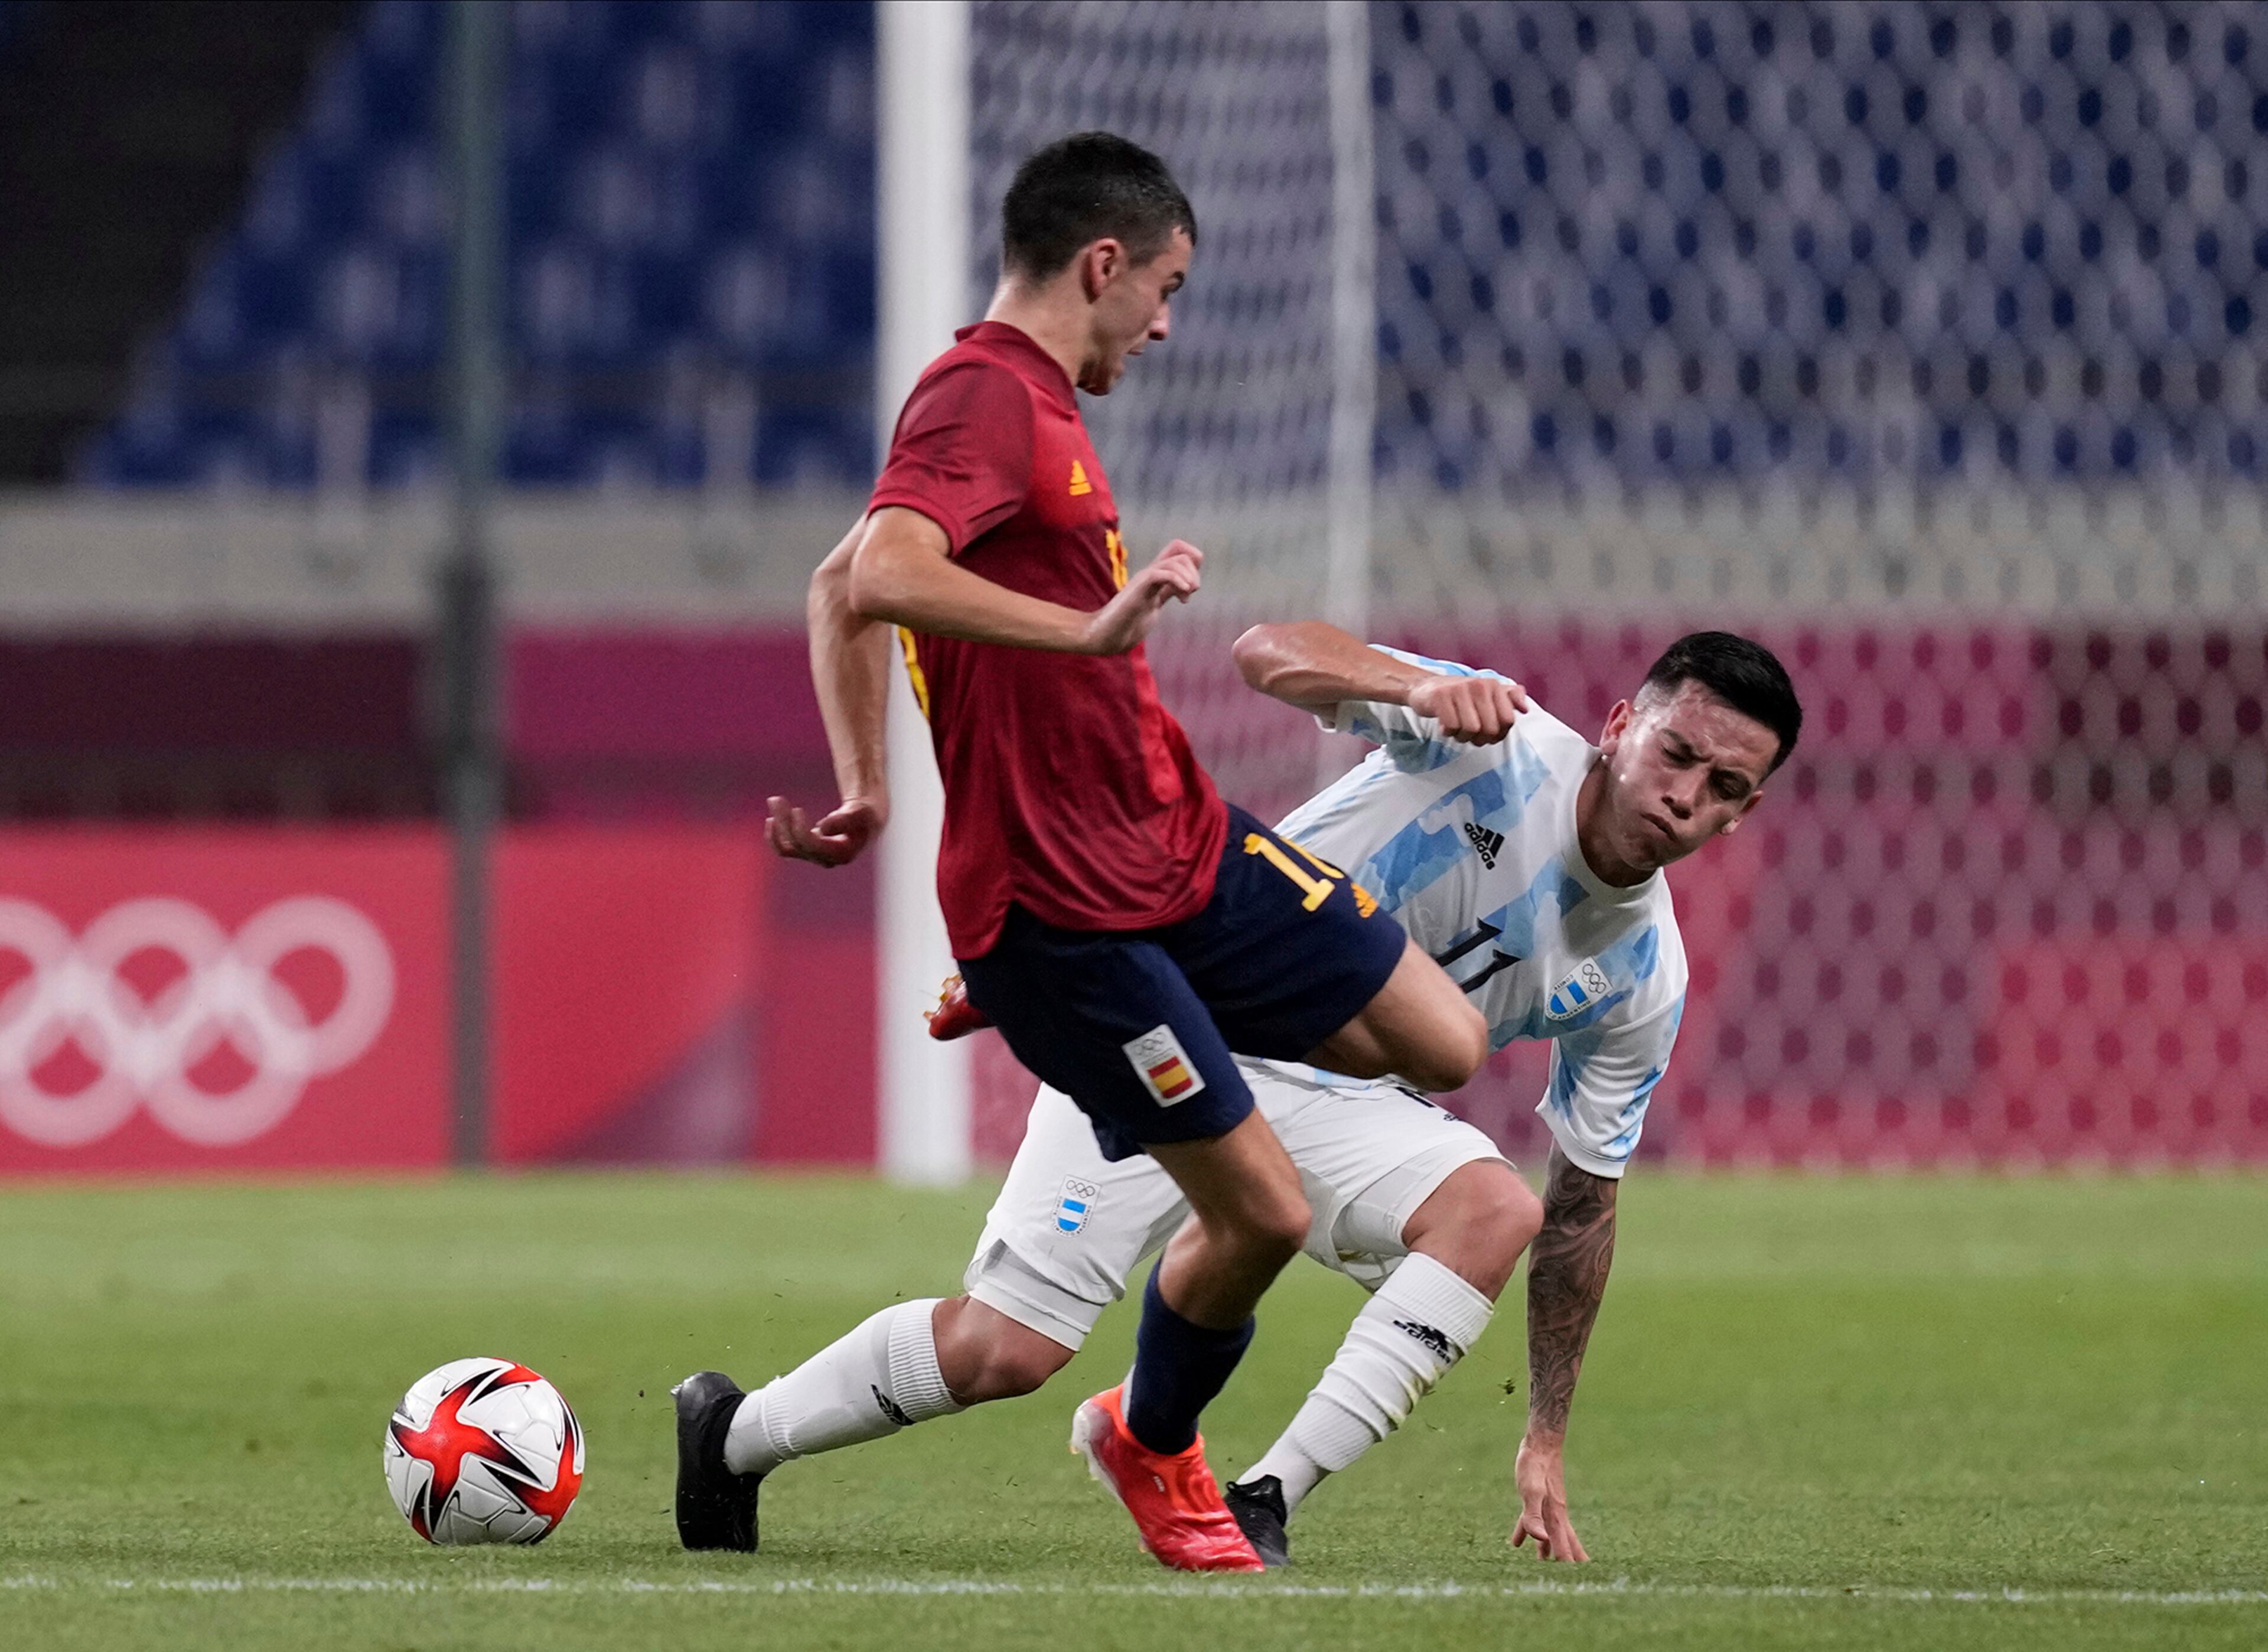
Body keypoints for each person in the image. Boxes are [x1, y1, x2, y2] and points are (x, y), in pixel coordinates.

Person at [672, 132, 1490, 1572]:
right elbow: (876, 574)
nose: (1167, 322)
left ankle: (1080, 1026)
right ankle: (1153, 1440)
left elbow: (838, 582)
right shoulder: (982, 387)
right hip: (1066, 908)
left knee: (1438, 1037)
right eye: (1163, 287)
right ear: (1102, 264)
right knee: (1262, 1219)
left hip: (1174, 842)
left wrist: (865, 780)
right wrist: (1093, 629)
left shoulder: (1039, 406)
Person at [700, 622, 1802, 1568]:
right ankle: (734, 1433)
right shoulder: (1498, 744)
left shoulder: (1646, 978)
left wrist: (1546, 1433)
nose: (1684, 795)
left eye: (1723, 789)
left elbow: (1584, 1204)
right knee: (1006, 1351)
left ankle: (1257, 1495)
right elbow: (1264, 653)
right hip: (1170, 1020)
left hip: (1336, 1097)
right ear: (1620, 725)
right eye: (1678, 753)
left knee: (1496, 1207)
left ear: (1742, 815)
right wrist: (1405, 683)